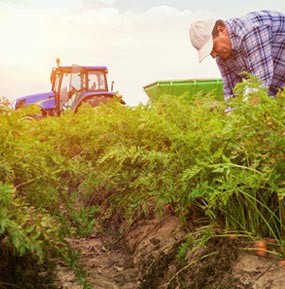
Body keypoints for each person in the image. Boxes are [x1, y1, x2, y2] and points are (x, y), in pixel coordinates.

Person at [189, 10, 285, 101]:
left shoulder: (250, 31)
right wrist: (231, 114)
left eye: (213, 47)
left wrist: (246, 115)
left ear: (221, 30)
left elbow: (259, 84)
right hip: (277, 89)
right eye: (210, 53)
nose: (214, 55)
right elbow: (231, 93)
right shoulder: (223, 55)